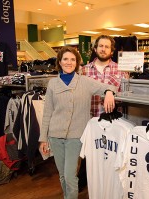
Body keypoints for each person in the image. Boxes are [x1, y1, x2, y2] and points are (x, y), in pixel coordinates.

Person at [39, 46, 117, 199]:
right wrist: (43, 138)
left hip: (76, 137)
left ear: (77, 63)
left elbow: (111, 86)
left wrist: (108, 92)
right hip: (55, 135)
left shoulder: (86, 82)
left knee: (70, 176)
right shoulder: (53, 84)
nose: (69, 62)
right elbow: (47, 112)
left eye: (73, 59)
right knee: (62, 175)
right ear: (59, 62)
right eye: (65, 59)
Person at [78, 35, 125, 192]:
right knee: (90, 152)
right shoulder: (83, 71)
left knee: (110, 154)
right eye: (100, 46)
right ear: (95, 48)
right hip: (90, 119)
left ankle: (109, 183)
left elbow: (125, 95)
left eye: (107, 46)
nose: (103, 49)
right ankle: (85, 179)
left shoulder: (121, 70)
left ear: (112, 50)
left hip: (113, 121)